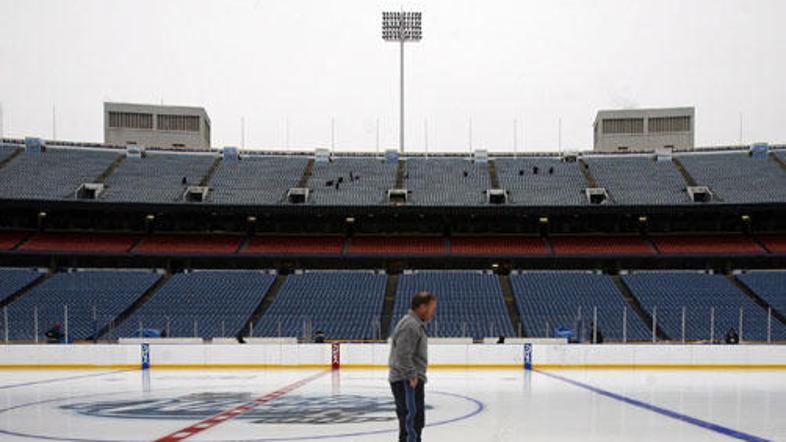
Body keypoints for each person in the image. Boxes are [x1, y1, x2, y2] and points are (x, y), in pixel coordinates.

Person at [389, 291, 437, 442]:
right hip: (407, 381)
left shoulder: (415, 324)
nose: (433, 312)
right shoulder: (411, 325)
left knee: (415, 421)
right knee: (411, 423)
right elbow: (402, 354)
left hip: (410, 379)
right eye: (432, 308)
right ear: (422, 307)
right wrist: (411, 375)